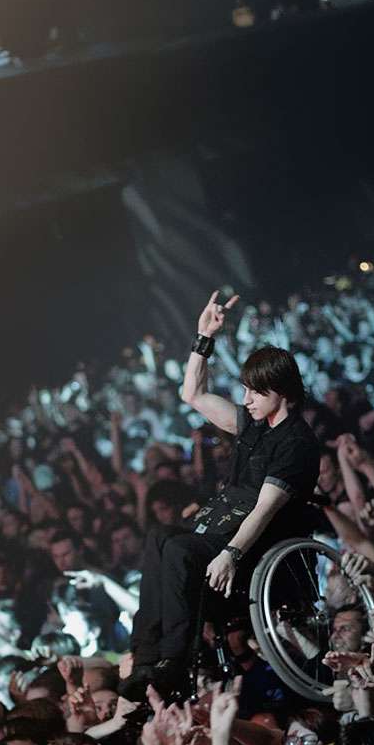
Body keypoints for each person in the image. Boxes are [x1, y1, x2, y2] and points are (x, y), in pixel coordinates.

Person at [123, 290, 320, 697]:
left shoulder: (295, 442)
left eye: (254, 392)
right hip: (222, 523)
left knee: (178, 550)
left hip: (256, 544)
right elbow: (191, 394)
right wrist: (203, 338)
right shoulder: (252, 425)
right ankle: (145, 657)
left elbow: (266, 509)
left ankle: (173, 661)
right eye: (245, 390)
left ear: (280, 391)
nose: (245, 399)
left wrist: (230, 554)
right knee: (159, 536)